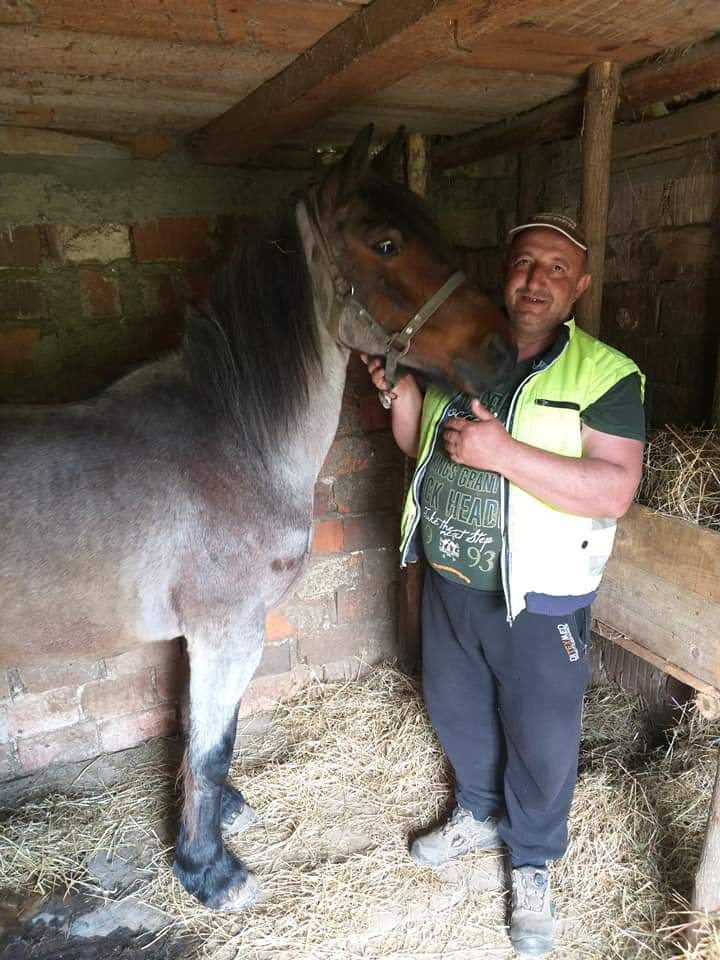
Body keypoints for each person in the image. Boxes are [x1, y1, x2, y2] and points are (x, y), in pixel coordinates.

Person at [364, 213, 645, 957]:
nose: (536, 279)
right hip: (454, 576)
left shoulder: (605, 375)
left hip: (541, 595)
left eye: (557, 268)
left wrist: (505, 454)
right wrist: (398, 397)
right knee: (453, 707)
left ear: (579, 286)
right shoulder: (456, 350)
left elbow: (615, 488)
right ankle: (479, 811)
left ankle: (532, 860)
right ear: (505, 269)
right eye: (526, 262)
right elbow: (415, 445)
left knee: (542, 739)